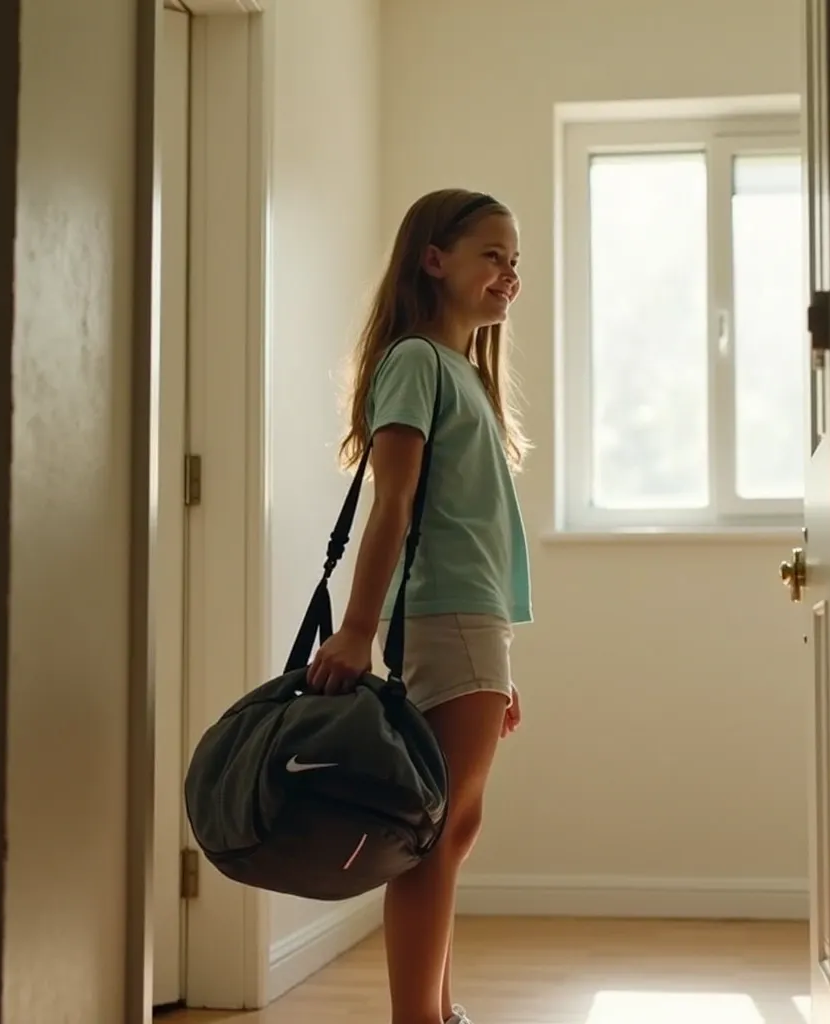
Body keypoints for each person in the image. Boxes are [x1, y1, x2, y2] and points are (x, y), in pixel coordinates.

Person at [304, 188, 533, 1024]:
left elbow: (464, 530)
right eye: (492, 255)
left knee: (445, 833)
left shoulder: (464, 373)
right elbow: (393, 504)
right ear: (434, 260)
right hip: (449, 621)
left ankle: (437, 1011)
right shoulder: (418, 361)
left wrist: (494, 664)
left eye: (515, 261)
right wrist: (357, 630)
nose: (509, 274)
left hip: (467, 626)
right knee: (434, 836)